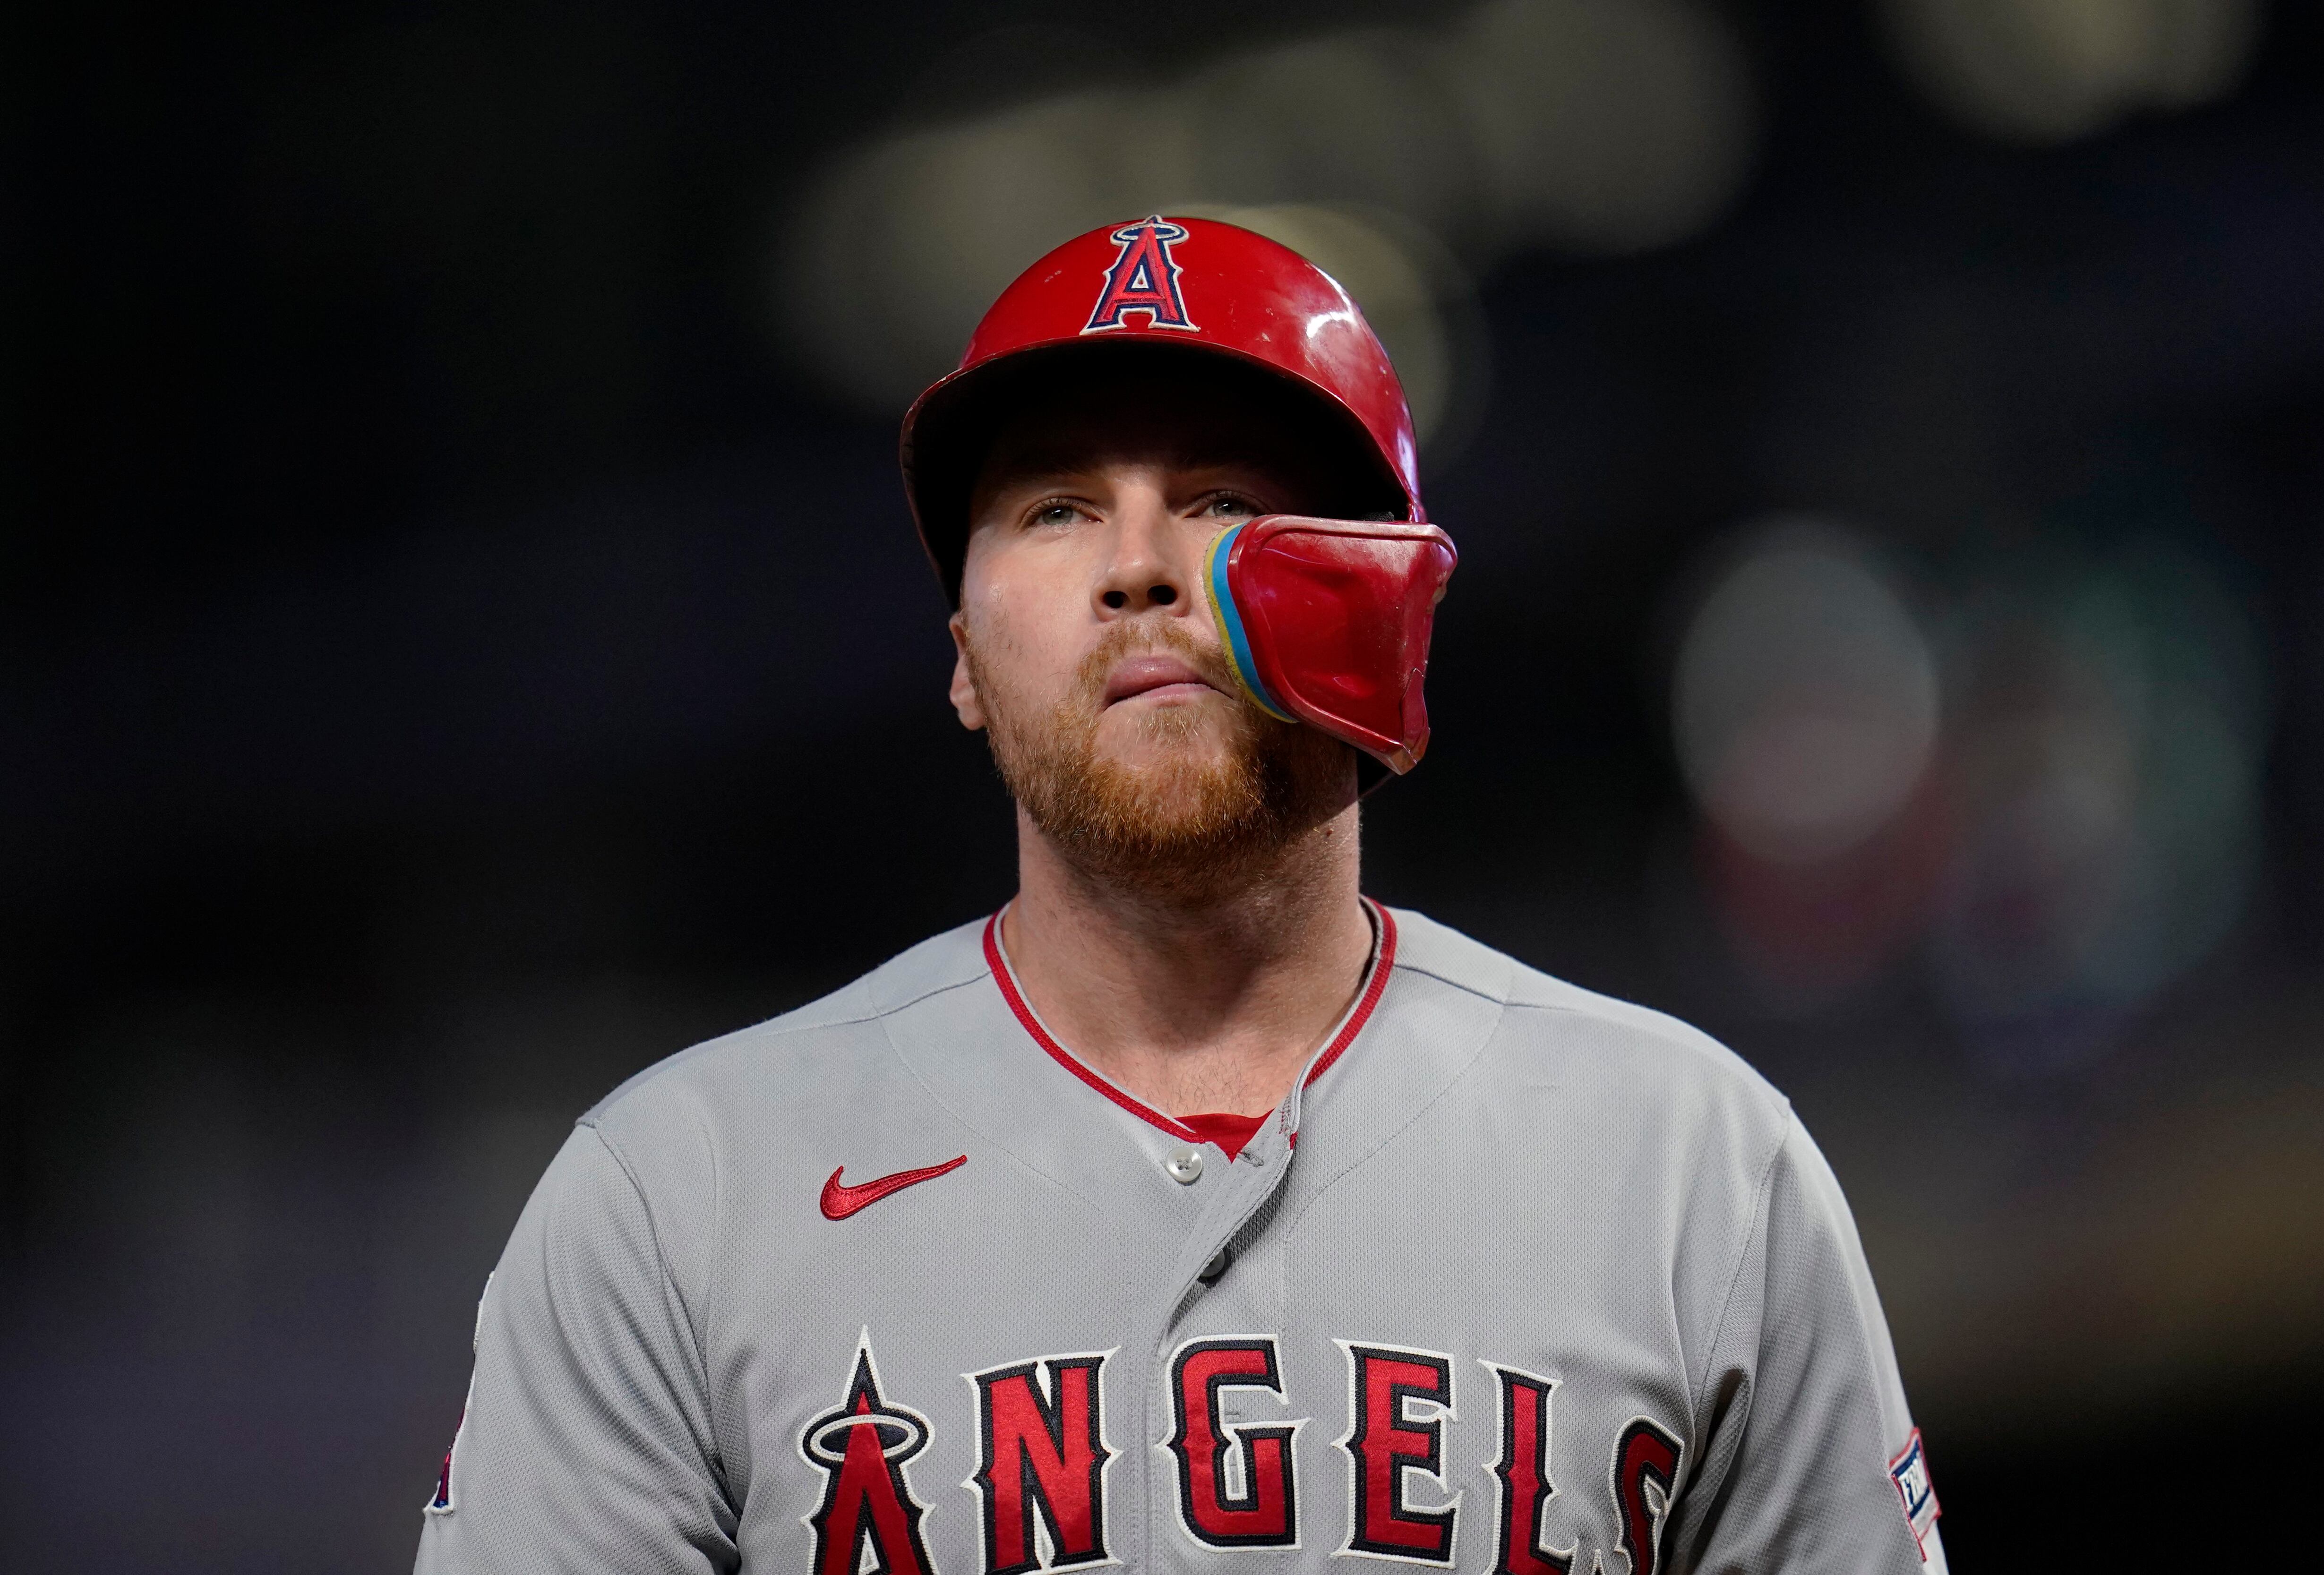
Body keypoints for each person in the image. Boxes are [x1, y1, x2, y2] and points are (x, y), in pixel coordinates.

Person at [414, 217, 1946, 1575]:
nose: (1137, 566)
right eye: (1055, 510)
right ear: (962, 654)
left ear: (1383, 596)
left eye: (1217, 498)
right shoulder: (678, 1205)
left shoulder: (1691, 1169)